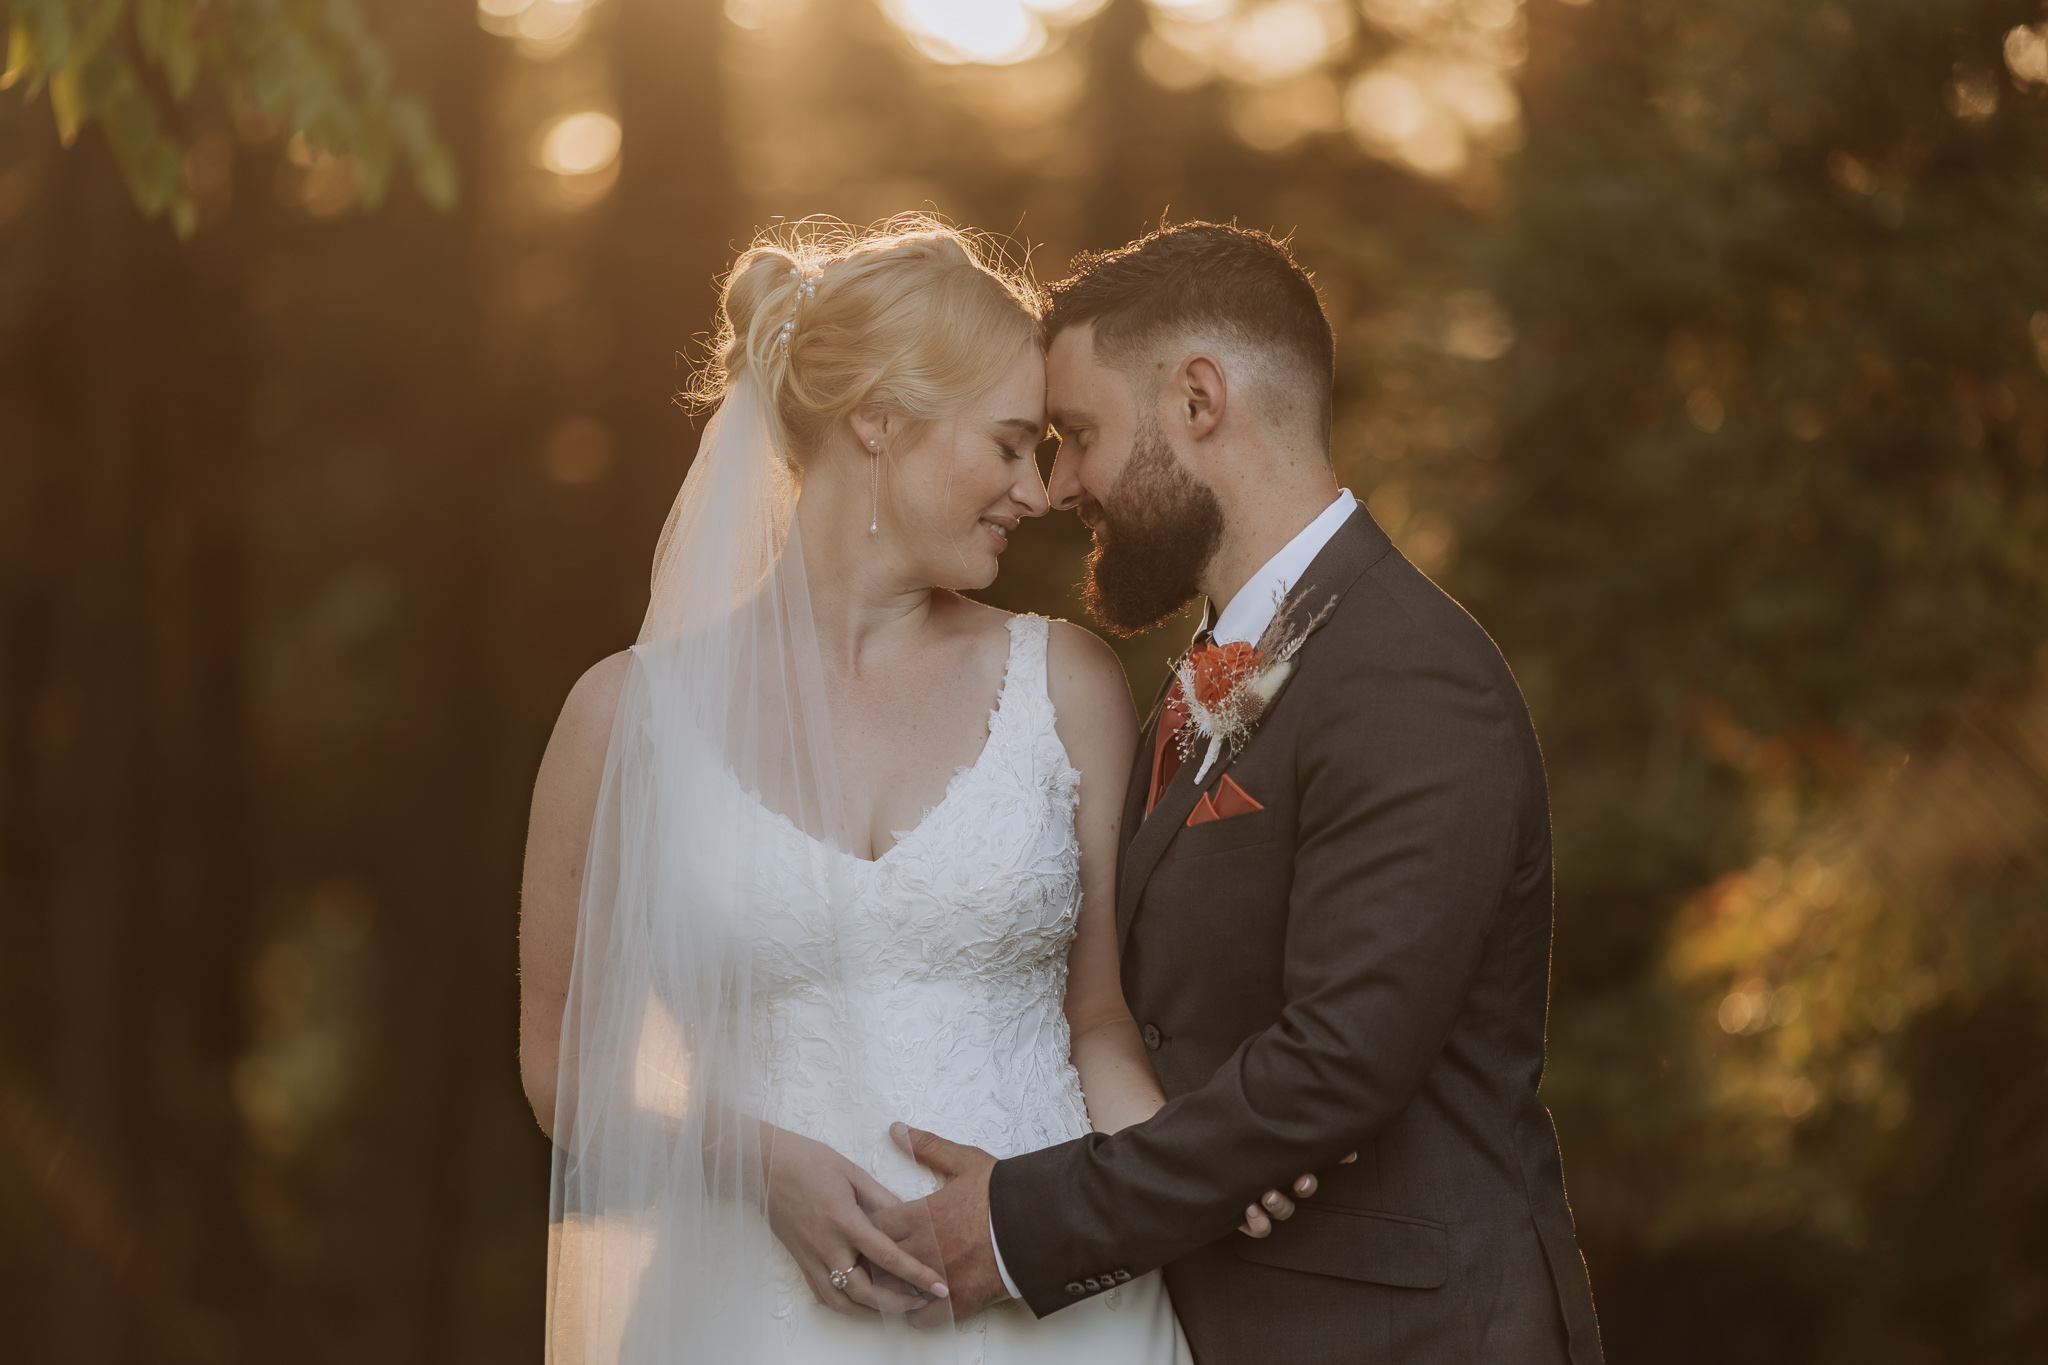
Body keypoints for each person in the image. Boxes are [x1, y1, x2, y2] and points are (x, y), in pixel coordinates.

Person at [518, 218, 1309, 1362]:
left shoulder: (1065, 681)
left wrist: (1200, 1158)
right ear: (876, 421)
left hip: (1050, 1317)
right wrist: (755, 1160)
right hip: (755, 1315)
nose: (1036, 492)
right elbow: (563, 1061)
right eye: (1005, 445)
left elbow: (1097, 1022)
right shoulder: (625, 719)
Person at [876, 222, 1606, 1364]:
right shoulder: (1228, 664)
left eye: (1077, 435)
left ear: (1198, 401)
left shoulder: (1408, 674)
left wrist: (1019, 1227)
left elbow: (1336, 1063)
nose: (1059, 483)